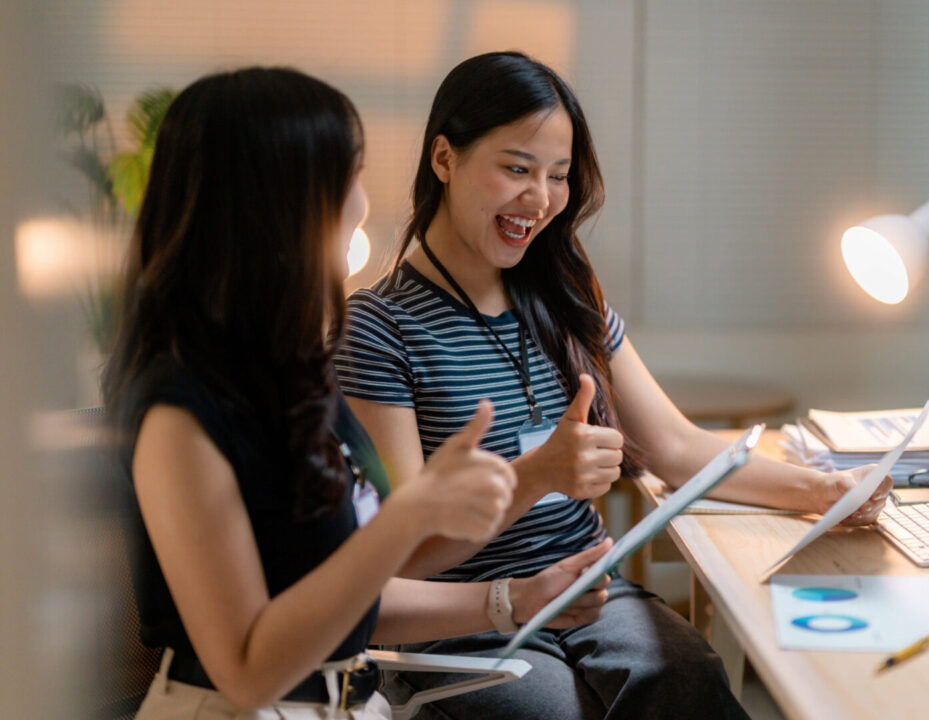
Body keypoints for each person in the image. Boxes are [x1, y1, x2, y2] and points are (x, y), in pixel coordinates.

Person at [336, 52, 893, 719]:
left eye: (559, 175)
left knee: (684, 674)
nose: (539, 199)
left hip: (591, 594)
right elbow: (399, 554)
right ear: (444, 159)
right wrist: (537, 475)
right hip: (462, 622)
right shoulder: (377, 328)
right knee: (553, 711)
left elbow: (677, 448)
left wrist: (826, 491)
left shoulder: (565, 297)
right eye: (516, 168)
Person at [105, 66, 615, 719]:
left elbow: (354, 598)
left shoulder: (292, 372)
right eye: (348, 178)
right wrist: (412, 514)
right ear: (275, 203)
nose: (363, 204)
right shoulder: (180, 409)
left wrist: (512, 599)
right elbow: (246, 671)